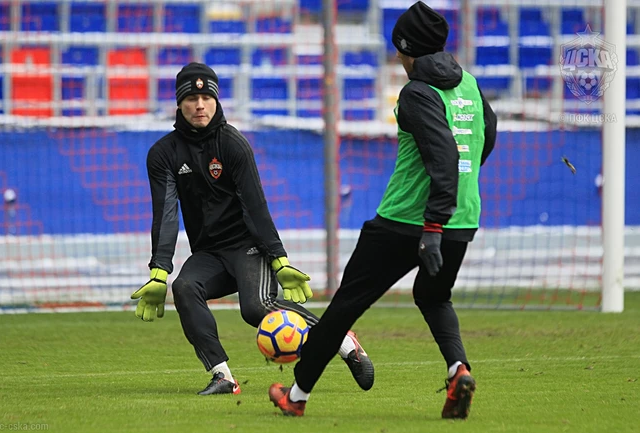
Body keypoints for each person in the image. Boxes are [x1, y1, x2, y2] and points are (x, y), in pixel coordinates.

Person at [269, 1, 497, 419]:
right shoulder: (470, 84)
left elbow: (444, 155)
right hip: (463, 217)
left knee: (345, 307)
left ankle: (296, 396)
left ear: (408, 49)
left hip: (406, 221)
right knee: (434, 296)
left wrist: (432, 224)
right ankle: (458, 371)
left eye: (399, 49)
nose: (397, 57)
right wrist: (456, 195)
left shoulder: (416, 93)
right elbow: (487, 136)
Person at [130, 62, 374, 396]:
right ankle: (222, 376)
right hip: (209, 254)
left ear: (216, 101)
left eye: (206, 97)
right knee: (184, 287)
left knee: (256, 308)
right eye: (191, 98)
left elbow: (255, 206)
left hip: (248, 246)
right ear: (179, 103)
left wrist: (279, 259)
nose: (200, 105)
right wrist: (159, 271)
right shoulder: (163, 154)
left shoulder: (233, 144)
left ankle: (344, 342)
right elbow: (166, 213)